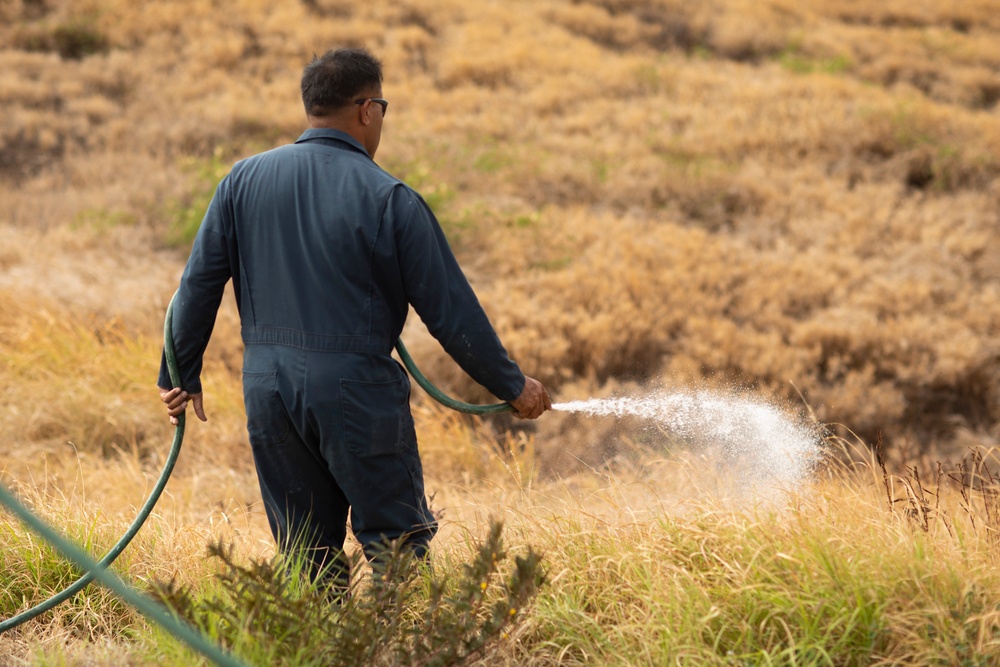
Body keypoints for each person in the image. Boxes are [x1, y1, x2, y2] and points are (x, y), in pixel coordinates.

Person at [156, 48, 551, 590]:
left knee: (303, 554)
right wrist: (512, 385)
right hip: (354, 389)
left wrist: (178, 375)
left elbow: (196, 286)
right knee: (397, 544)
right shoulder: (390, 197)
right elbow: (451, 312)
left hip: (267, 389)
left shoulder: (241, 180)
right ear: (367, 109)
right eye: (382, 108)